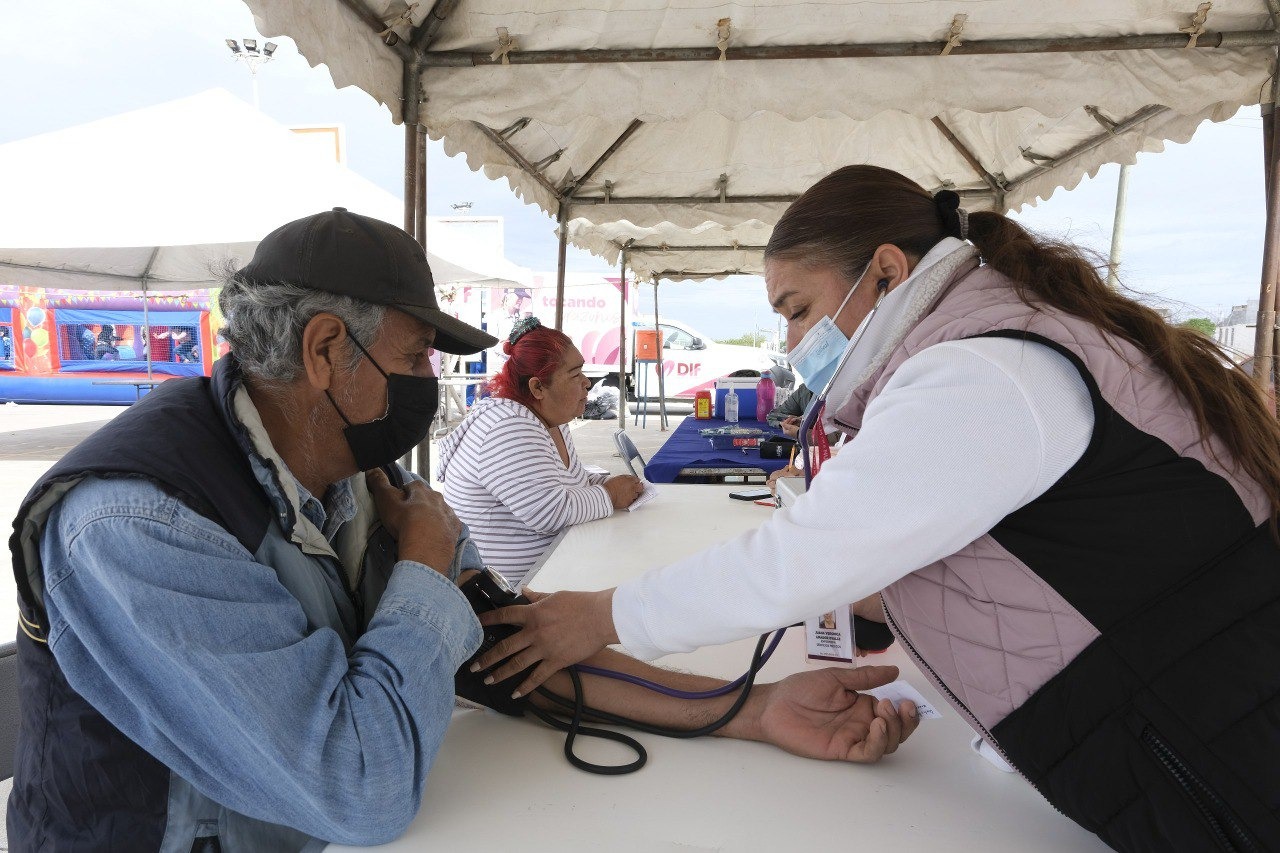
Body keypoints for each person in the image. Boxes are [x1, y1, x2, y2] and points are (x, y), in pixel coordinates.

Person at [8, 208, 918, 851]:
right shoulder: (137, 525)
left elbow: (510, 644)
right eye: (412, 359)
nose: (427, 387)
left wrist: (752, 709)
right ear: (327, 351)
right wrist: (425, 572)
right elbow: (358, 786)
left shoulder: (356, 473)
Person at [470, 165, 1280, 853]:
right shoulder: (1003, 340)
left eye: (795, 309)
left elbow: (803, 555)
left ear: (888, 271)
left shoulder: (984, 373)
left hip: (1214, 729)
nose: (790, 343)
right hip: (1185, 706)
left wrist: (601, 617)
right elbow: (1047, 550)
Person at [438, 317, 645, 584]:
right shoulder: (508, 427)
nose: (587, 383)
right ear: (537, 387)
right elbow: (550, 512)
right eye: (575, 375)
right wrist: (611, 493)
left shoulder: (549, 420)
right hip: (513, 593)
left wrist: (606, 483)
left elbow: (571, 481)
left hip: (553, 572)